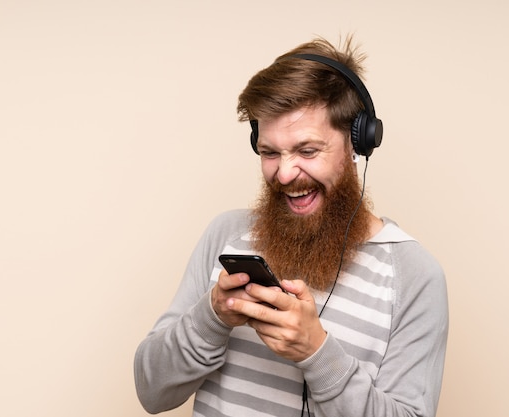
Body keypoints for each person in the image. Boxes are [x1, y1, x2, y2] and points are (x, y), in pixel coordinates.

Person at [134, 36, 448, 417]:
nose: (284, 174)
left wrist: (316, 352)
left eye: (307, 151)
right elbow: (152, 393)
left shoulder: (414, 276)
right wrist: (212, 316)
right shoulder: (226, 235)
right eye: (269, 152)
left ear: (356, 143)